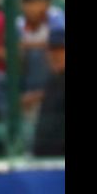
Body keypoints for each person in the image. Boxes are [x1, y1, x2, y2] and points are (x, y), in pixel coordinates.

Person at [16, 0, 64, 115]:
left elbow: (58, 47)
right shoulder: (19, 23)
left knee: (40, 52)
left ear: (46, 2)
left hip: (55, 80)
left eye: (35, 1)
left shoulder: (56, 16)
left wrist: (29, 45)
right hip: (29, 77)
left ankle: (39, 95)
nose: (30, 7)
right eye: (27, 1)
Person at [32, 26, 64, 156]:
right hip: (47, 157)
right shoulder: (52, 80)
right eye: (52, 50)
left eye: (61, 50)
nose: (55, 55)